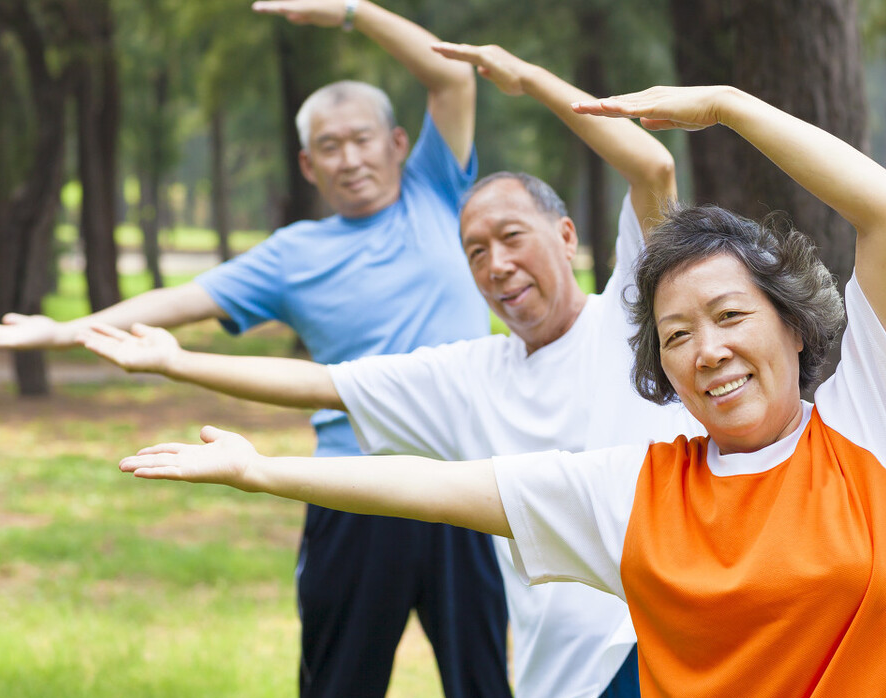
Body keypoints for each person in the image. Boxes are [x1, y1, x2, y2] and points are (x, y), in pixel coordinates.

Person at [115, 84, 886, 696]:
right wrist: (260, 470)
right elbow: (436, 487)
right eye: (678, 335)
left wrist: (727, 107)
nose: (709, 351)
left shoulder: (873, 427)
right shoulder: (640, 491)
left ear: (794, 326)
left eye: (730, 316)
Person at [81, 44, 703, 698]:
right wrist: (178, 363)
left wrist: (528, 81)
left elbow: (652, 165)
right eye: (476, 251)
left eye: (513, 237)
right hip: (560, 674)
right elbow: (326, 385)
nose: (496, 264)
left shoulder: (633, 310)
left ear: (568, 237)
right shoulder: (471, 376)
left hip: (659, 643)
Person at [0, 2, 514, 697]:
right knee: (338, 684)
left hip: (465, 487)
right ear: (308, 163)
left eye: (362, 139)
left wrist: (352, 13)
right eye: (329, 146)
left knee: (483, 684)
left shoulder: (438, 190)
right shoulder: (292, 256)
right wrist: (62, 330)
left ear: (398, 143)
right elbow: (177, 303)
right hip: (353, 492)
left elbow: (452, 79)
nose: (350, 158)